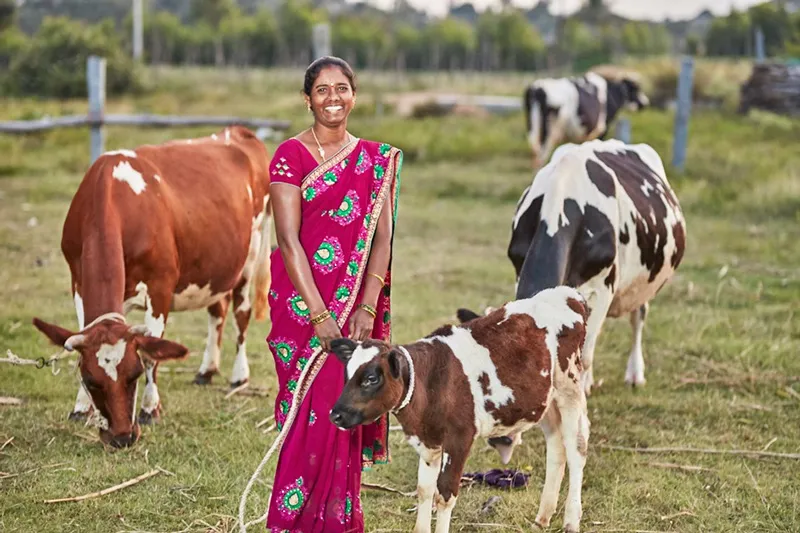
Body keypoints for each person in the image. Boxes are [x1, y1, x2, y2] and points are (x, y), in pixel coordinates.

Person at [264, 56, 402, 533]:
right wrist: (320, 315)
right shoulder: (289, 155)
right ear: (307, 99)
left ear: (354, 95)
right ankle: (290, 522)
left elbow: (382, 238)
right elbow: (288, 240)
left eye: (341, 89)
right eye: (322, 90)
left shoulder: (374, 160)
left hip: (355, 311)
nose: (333, 99)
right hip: (302, 308)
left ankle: (339, 522)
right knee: (307, 411)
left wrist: (366, 305)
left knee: (344, 408)